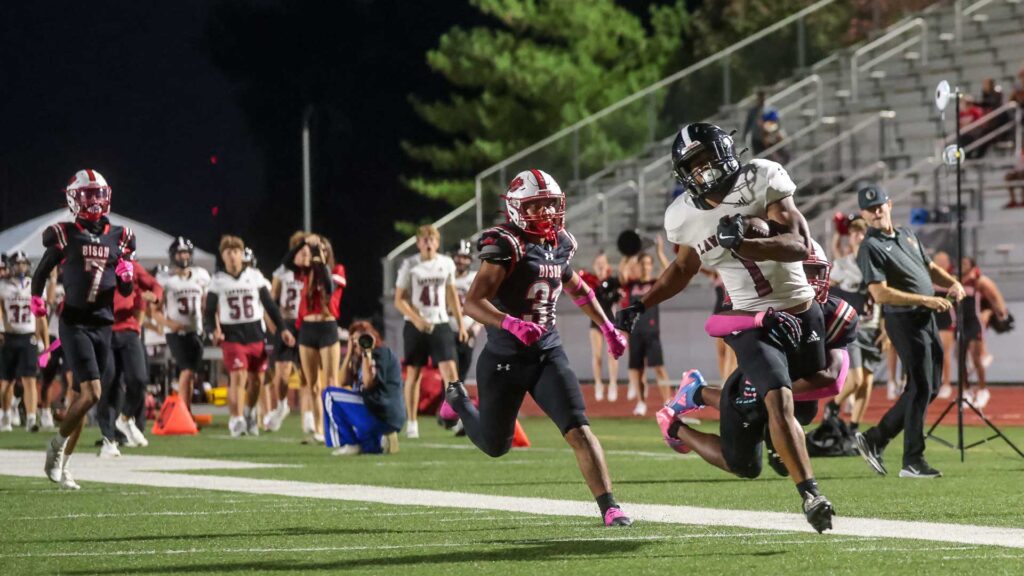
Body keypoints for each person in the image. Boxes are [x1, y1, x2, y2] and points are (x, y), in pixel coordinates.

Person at [615, 123, 834, 533]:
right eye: (693, 164)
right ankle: (811, 494)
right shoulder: (684, 215)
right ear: (683, 172)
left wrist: (745, 241)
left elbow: (798, 244)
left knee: (793, 414)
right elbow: (682, 268)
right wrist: (641, 303)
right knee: (778, 401)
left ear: (726, 150)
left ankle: (697, 394)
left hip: (802, 314)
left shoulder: (761, 177)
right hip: (749, 320)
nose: (704, 169)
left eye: (707, 157)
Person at [444, 169, 632, 527]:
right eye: (537, 206)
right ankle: (458, 402)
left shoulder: (559, 242)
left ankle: (610, 506)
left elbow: (577, 287)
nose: (546, 213)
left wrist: (608, 327)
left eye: (550, 205)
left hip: (547, 352)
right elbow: (472, 303)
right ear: (517, 209)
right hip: (504, 359)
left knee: (579, 428)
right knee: (496, 445)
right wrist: (511, 322)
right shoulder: (507, 244)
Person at [662, 240, 858, 478]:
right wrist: (757, 319)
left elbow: (833, 380)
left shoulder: (838, 314)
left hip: (793, 391)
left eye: (815, 272)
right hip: (756, 380)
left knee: (791, 445)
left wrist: (776, 395)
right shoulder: (761, 299)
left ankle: (696, 392)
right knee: (744, 465)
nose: (810, 280)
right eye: (802, 272)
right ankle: (673, 424)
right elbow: (716, 323)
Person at [31, 169, 137, 490]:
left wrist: (126, 276)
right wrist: (37, 301)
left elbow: (127, 293)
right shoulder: (64, 233)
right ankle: (56, 447)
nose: (93, 200)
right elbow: (41, 272)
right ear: (74, 198)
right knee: (93, 392)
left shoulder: (120, 236)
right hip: (74, 322)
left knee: (82, 398)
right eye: (87, 194)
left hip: (103, 324)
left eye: (97, 194)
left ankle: (64, 465)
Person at [853, 184, 965, 479]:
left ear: (889, 204)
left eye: (879, 205)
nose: (876, 212)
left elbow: (929, 268)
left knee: (931, 386)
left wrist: (951, 282)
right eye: (869, 209)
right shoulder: (870, 247)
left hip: (925, 318)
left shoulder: (906, 234)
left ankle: (876, 438)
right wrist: (925, 299)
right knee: (920, 387)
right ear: (863, 215)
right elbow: (880, 294)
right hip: (903, 320)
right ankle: (912, 460)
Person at [205, 235, 295, 437]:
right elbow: (209, 310)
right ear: (223, 256)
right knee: (238, 377)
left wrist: (283, 329)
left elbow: (270, 306)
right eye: (229, 253)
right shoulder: (218, 281)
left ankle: (249, 412)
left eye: (236, 252)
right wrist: (213, 329)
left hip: (255, 333)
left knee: (257, 381)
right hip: (232, 335)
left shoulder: (254, 276)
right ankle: (236, 420)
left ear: (241, 253)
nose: (233, 256)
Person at [394, 225, 466, 439]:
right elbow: (399, 300)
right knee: (414, 374)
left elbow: (452, 294)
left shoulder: (446, 263)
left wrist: (460, 324)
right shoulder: (410, 264)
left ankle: (453, 418)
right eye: (424, 239)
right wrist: (417, 320)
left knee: (451, 374)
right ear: (418, 243)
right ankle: (412, 422)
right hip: (415, 325)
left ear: (437, 242)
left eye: (431, 239)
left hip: (441, 321)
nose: (428, 242)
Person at [280, 234, 346, 442]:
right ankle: (319, 429)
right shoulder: (304, 272)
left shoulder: (337, 270)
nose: (319, 254)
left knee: (331, 381)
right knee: (312, 384)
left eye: (323, 251)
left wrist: (319, 259)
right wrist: (304, 243)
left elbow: (329, 286)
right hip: (307, 328)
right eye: (318, 251)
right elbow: (286, 263)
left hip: (327, 326)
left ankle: (335, 425)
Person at [96, 257, 162, 457]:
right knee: (109, 384)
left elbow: (154, 285)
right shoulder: (95, 265)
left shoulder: (130, 265)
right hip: (104, 329)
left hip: (128, 329)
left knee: (139, 379)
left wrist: (155, 297)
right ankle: (108, 438)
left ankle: (125, 419)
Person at [825, 217, 878, 431]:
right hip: (852, 328)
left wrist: (886, 329)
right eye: (855, 231)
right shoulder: (843, 264)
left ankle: (854, 428)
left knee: (867, 382)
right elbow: (827, 289)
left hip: (873, 325)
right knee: (855, 380)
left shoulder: (876, 263)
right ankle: (833, 406)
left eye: (862, 231)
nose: (859, 235)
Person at [325, 321, 405, 455]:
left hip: (380, 412)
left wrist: (367, 352)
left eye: (361, 339)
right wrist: (350, 352)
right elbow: (341, 381)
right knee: (366, 447)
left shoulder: (380, 354)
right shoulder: (358, 359)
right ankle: (384, 439)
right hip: (379, 415)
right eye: (354, 341)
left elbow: (368, 383)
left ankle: (349, 443)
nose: (358, 344)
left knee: (329, 395)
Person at [155, 237, 211, 415]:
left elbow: (206, 304)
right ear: (173, 255)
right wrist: (171, 324)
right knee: (186, 371)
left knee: (192, 373)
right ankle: (184, 413)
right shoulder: (165, 280)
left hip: (196, 331)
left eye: (186, 252)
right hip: (175, 333)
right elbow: (154, 311)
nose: (183, 256)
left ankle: (187, 411)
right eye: (180, 252)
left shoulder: (201, 276)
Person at [619, 236, 672, 416]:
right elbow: (621, 274)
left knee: (659, 368)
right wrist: (628, 254)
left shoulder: (654, 283)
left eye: (649, 264)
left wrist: (659, 252)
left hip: (651, 332)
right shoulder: (632, 284)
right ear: (639, 266)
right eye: (643, 264)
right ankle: (641, 402)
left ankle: (668, 402)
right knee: (637, 369)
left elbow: (668, 272)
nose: (646, 267)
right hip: (635, 332)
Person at [1, 251, 46, 432]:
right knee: (6, 382)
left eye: (23, 263)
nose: (21, 267)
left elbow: (40, 315)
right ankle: (5, 415)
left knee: (30, 379)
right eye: (17, 264)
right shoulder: (3, 285)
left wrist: (43, 340)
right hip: (9, 336)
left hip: (28, 336)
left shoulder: (33, 286)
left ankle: (31, 418)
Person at [960, 257, 1010, 409]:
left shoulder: (979, 280)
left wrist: (1002, 313)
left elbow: (994, 295)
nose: (962, 266)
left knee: (976, 357)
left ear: (972, 265)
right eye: (961, 263)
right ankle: (966, 391)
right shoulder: (958, 281)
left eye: (965, 264)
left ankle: (982, 390)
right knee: (960, 358)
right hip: (962, 324)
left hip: (975, 323)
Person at [270, 231, 308, 432]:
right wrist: (275, 327)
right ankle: (282, 404)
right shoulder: (282, 272)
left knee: (307, 373)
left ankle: (308, 415)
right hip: (286, 323)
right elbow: (271, 301)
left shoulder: (312, 272)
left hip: (306, 325)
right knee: (282, 373)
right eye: (301, 251)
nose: (305, 256)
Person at [580, 252, 620, 402]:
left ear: (608, 265)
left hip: (610, 321)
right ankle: (598, 383)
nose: (601, 265)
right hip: (595, 322)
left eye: (604, 262)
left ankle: (613, 384)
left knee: (612, 355)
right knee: (597, 356)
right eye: (599, 263)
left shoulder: (613, 282)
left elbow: (617, 297)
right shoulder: (591, 281)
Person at [451, 239, 479, 382]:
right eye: (458, 257)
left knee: (462, 373)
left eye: (465, 258)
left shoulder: (474, 278)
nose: (461, 261)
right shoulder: (446, 276)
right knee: (448, 373)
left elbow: (482, 304)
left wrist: (476, 326)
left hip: (467, 331)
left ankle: (454, 403)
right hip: (447, 329)